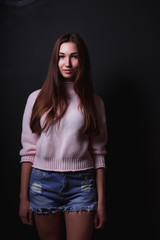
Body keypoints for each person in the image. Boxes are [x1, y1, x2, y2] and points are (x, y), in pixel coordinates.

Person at [19, 33, 108, 240]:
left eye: (74, 56)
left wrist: (101, 203)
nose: (67, 63)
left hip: (82, 185)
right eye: (61, 56)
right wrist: (23, 197)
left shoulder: (95, 103)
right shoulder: (36, 99)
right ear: (55, 60)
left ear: (82, 60)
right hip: (43, 183)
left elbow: (99, 155)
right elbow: (28, 152)